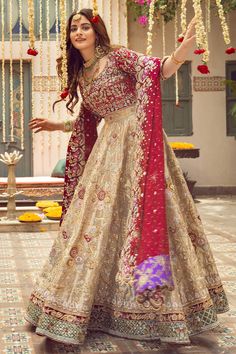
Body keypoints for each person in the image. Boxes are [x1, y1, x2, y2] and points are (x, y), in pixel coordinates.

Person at [26, 8, 228, 345]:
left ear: (96, 31)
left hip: (140, 141)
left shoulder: (117, 56)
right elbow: (89, 120)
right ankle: (89, 305)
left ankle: (163, 308)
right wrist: (55, 125)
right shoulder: (81, 75)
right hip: (109, 149)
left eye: (85, 27)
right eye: (74, 28)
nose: (78, 32)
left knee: (155, 213)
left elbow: (156, 70)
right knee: (96, 222)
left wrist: (179, 55)